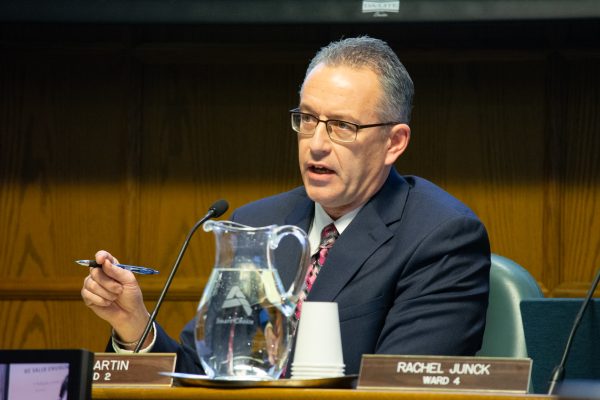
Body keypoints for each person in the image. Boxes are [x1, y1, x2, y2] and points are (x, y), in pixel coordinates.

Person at [81, 35, 490, 376]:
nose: (316, 143)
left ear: (394, 142)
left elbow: (400, 385)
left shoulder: (440, 236)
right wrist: (135, 326)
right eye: (308, 119)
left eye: (342, 126)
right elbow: (205, 372)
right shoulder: (257, 222)